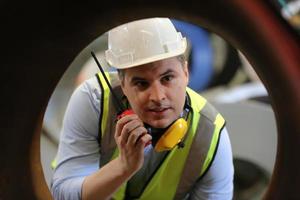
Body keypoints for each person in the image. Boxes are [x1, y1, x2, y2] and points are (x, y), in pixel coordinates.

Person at [51, 17, 234, 200]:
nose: (158, 96)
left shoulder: (210, 135)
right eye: (141, 83)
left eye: (167, 78)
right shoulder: (94, 101)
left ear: (186, 73)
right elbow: (62, 195)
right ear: (122, 83)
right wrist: (124, 166)